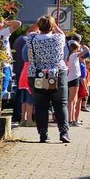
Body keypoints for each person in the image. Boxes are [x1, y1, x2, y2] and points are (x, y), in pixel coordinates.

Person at [25, 15, 70, 143]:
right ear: (52, 26)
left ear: (39, 26)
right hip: (57, 73)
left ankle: (43, 135)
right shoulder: (58, 38)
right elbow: (61, 32)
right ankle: (63, 133)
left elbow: (28, 31)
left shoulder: (33, 39)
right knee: (61, 104)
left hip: (37, 74)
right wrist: (54, 24)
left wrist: (37, 23)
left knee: (40, 106)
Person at [0, 18, 22, 99]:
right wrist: (7, 23)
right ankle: (1, 95)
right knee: (4, 81)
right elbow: (18, 23)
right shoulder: (3, 33)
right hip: (4, 62)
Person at [66, 40, 87, 127]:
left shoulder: (69, 56)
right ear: (76, 48)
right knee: (72, 100)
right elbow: (87, 51)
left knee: (72, 100)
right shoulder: (75, 55)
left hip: (70, 78)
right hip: (74, 78)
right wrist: (83, 46)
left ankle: (71, 119)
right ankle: (71, 120)